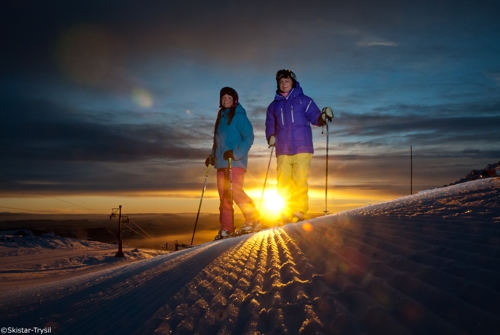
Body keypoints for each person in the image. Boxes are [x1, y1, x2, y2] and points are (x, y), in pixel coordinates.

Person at [265, 69, 333, 223]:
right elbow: (270, 124)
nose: (284, 84)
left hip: (302, 147)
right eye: (281, 82)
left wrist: (323, 117)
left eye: (287, 81)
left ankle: (299, 210)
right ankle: (285, 211)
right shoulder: (273, 106)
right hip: (282, 148)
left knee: (299, 179)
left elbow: (315, 117)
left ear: (293, 82)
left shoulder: (304, 100)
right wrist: (270, 136)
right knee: (283, 181)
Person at [205, 87, 259, 239]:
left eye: (229, 97)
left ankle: (252, 219)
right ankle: (227, 228)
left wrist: (236, 154)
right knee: (224, 197)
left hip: (235, 162)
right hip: (221, 162)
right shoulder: (220, 117)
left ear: (235, 100)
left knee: (235, 192)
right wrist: (212, 156)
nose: (226, 100)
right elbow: (217, 141)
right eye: (223, 97)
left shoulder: (240, 117)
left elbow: (249, 137)